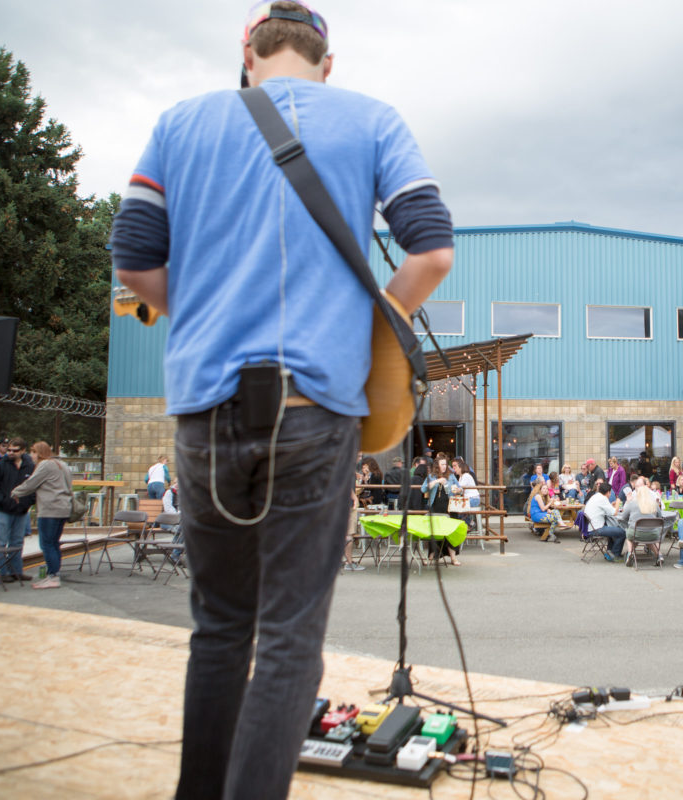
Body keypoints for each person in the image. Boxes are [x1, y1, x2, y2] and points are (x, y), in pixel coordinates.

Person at [109, 3, 454, 796]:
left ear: (248, 54)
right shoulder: (371, 119)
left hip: (204, 409)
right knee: (292, 638)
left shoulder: (179, 123)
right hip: (313, 408)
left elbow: (133, 260)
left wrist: (197, 306)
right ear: (327, 62)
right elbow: (431, 248)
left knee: (220, 628)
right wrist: (367, 328)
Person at [9, 441, 73, 590]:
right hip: (63, 507)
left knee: (47, 544)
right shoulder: (61, 464)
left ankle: (52, 577)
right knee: (54, 543)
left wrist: (15, 492)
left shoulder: (45, 465)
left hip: (50, 509)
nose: (31, 455)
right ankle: (54, 573)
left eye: (33, 452)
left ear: (39, 453)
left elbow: (31, 483)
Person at [0, 437, 35, 583]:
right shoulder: (0, 465)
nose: (11, 453)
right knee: (1, 542)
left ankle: (16, 571)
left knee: (17, 542)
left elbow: (33, 488)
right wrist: (5, 501)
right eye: (9, 450)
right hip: (2, 510)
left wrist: (27, 503)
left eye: (15, 450)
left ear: (23, 451)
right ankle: (0, 573)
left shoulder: (29, 466)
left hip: (21, 511)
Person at [618, 484, 668, 566]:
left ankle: (630, 553)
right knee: (648, 537)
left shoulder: (632, 504)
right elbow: (660, 517)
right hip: (653, 534)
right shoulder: (654, 504)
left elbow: (623, 517)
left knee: (629, 535)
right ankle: (659, 555)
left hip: (635, 534)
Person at [583, 481, 626, 562]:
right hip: (596, 529)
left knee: (613, 529)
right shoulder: (603, 499)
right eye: (610, 493)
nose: (610, 495)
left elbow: (605, 508)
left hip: (591, 526)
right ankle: (615, 555)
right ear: (608, 492)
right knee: (622, 532)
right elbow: (614, 513)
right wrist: (617, 502)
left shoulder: (596, 496)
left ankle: (610, 552)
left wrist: (611, 505)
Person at [451, 456, 480, 534]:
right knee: (455, 508)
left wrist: (452, 489)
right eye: (452, 466)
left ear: (460, 467)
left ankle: (471, 524)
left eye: (455, 466)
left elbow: (459, 489)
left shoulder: (466, 476)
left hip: (473, 499)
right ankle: (466, 525)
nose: (453, 468)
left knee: (456, 508)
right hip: (471, 498)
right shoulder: (461, 477)